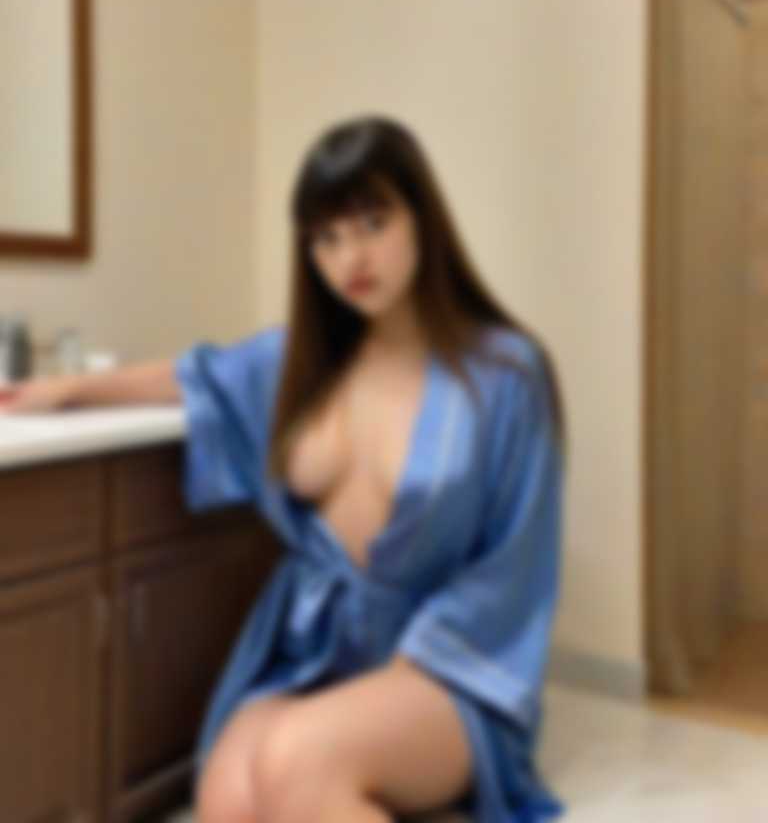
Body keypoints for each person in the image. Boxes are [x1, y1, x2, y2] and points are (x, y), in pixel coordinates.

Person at [0, 114, 568, 823]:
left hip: (449, 668)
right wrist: (65, 390)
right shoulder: (304, 362)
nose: (350, 257)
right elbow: (194, 375)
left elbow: (517, 565)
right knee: (227, 800)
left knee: (297, 762)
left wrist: (392, 690)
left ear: (422, 218)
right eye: (326, 238)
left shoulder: (506, 373)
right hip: (316, 653)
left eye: (373, 223)